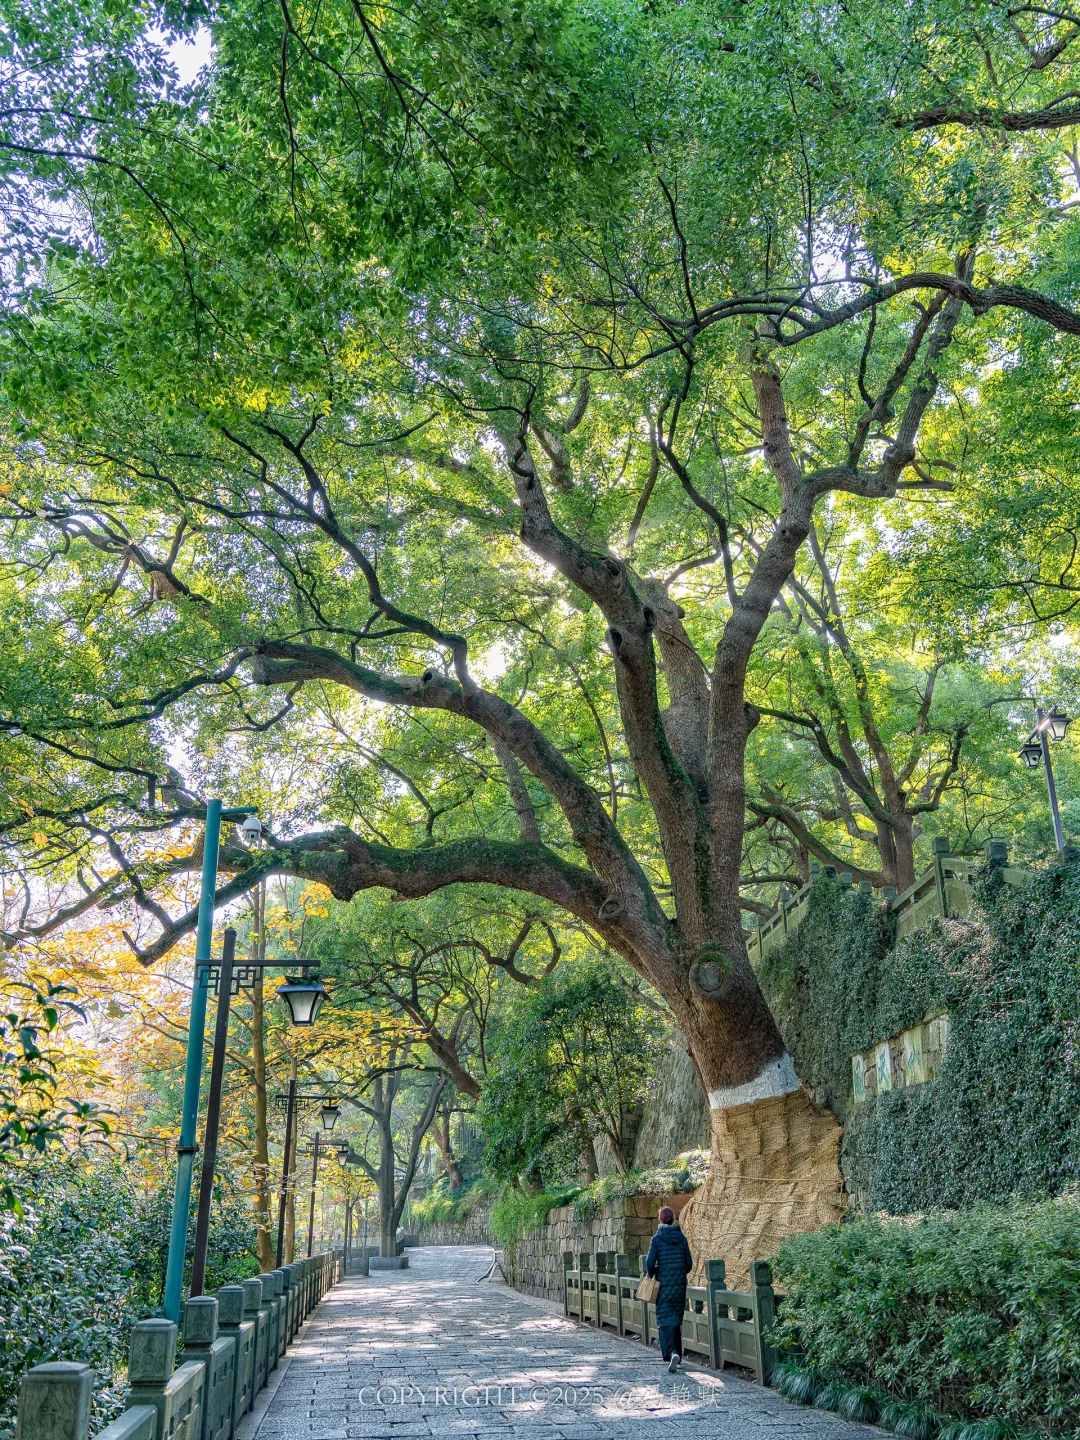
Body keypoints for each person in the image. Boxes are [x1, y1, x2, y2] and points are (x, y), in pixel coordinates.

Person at [645, 1204, 693, 1372]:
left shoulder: (657, 1239)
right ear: (673, 1219)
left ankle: (671, 1353)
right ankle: (678, 1357)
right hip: (679, 1285)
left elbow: (649, 1263)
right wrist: (679, 1272)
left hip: (663, 1285)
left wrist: (653, 1273)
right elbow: (689, 1264)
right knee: (676, 1320)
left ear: (660, 1219)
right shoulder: (682, 1238)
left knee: (665, 1320)